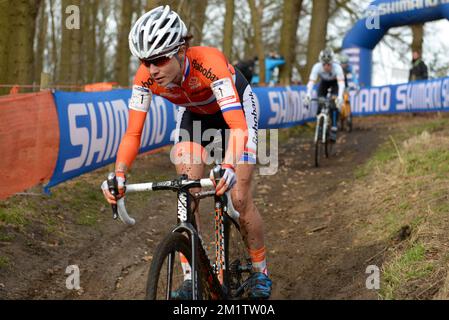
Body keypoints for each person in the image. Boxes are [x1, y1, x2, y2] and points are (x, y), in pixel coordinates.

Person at [101, 5, 271, 300]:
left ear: (182, 50)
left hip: (236, 114)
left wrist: (229, 166)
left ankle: (260, 271)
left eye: (160, 59)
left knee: (239, 197)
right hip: (193, 117)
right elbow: (133, 133)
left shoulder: (209, 63)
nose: (153, 69)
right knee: (185, 194)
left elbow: (237, 126)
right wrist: (118, 174)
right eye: (146, 61)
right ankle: (192, 278)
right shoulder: (145, 78)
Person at [304, 48, 345, 142]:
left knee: (334, 104)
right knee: (320, 101)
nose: (326, 66)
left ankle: (334, 127)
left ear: (332, 63)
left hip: (335, 84)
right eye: (324, 64)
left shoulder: (337, 68)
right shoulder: (316, 67)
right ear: (321, 63)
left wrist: (339, 97)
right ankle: (320, 127)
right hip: (324, 83)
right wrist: (308, 94)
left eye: (329, 64)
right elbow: (311, 82)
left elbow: (341, 84)